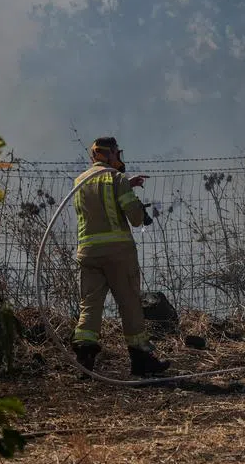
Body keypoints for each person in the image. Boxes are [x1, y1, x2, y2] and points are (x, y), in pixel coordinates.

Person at [70, 137, 172, 377]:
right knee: (130, 304)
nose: (120, 158)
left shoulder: (79, 181)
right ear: (110, 154)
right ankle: (141, 360)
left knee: (90, 306)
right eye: (117, 153)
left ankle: (85, 360)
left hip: (88, 253)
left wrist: (126, 184)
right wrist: (132, 198)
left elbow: (97, 206)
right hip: (118, 254)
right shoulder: (116, 179)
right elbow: (136, 219)